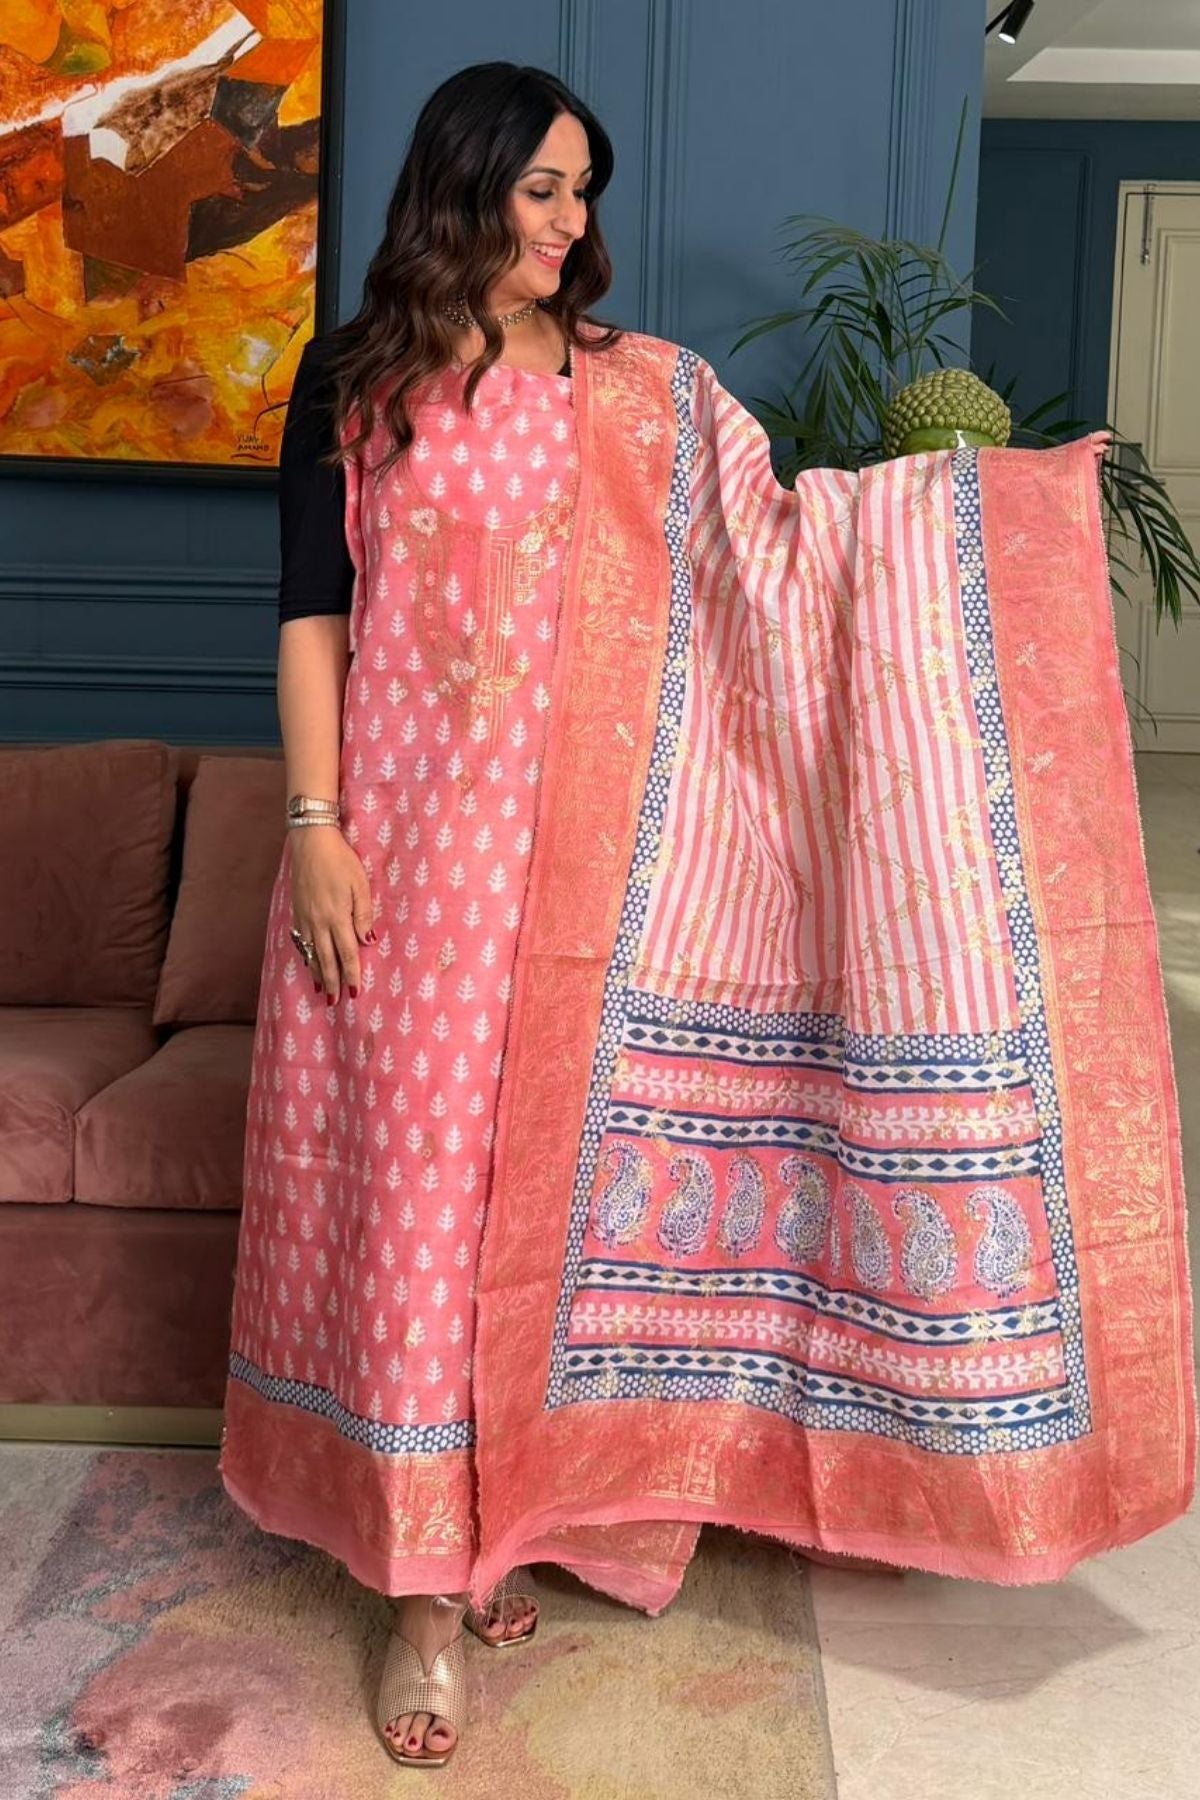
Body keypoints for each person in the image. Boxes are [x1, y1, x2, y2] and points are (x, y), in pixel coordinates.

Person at [219, 60, 1194, 1772]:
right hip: (405, 867)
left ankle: (504, 1521)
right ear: (462, 185)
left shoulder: (641, 392)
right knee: (417, 1212)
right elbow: (314, 612)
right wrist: (316, 829)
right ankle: (420, 1593)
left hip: (603, 882)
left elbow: (785, 557)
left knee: (537, 1216)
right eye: (541, 188)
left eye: (582, 189)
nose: (570, 221)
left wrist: (983, 516)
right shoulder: (353, 379)